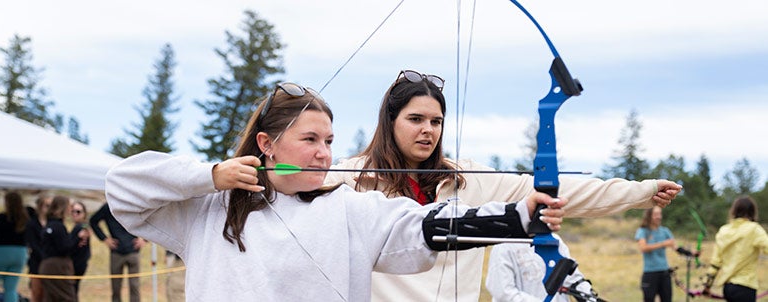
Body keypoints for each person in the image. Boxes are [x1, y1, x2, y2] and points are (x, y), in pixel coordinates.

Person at [104, 82, 567, 301]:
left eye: (328, 142)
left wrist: (520, 217)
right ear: (267, 144)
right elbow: (124, 188)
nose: (324, 154)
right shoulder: (209, 209)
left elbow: (420, 228)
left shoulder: (348, 207)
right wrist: (211, 175)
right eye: (309, 140)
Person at [323, 69, 683, 301]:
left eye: (436, 121)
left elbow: (551, 191)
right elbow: (290, 188)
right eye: (415, 119)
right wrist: (264, 177)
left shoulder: (465, 177)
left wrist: (642, 192)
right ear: (390, 121)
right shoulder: (350, 179)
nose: (428, 130)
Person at [485, 234, 599, 302]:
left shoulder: (554, 241)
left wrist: (588, 296)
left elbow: (572, 278)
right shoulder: (504, 246)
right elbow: (503, 292)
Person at [703, 196, 768, 302]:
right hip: (746, 286)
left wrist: (707, 286)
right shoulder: (754, 229)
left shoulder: (723, 231)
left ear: (734, 211)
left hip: (728, 288)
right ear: (752, 211)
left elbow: (715, 263)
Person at [89, 202, 146, 302]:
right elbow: (93, 221)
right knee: (115, 288)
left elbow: (151, 219)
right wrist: (105, 239)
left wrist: (145, 239)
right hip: (116, 252)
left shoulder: (134, 204)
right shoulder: (108, 206)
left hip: (133, 251)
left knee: (134, 286)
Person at [39, 195, 89, 302]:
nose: (71, 211)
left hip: (46, 266)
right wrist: (77, 239)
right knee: (68, 297)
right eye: (70, 207)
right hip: (57, 267)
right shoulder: (58, 227)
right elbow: (64, 248)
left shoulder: (49, 224)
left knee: (51, 297)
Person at [635, 206, 674, 302]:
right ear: (649, 216)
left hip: (664, 272)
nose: (659, 217)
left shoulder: (665, 231)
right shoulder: (643, 231)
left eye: (660, 214)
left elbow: (675, 246)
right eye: (656, 214)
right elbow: (643, 248)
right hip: (650, 273)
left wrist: (692, 253)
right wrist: (663, 243)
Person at [0, 191, 30, 302]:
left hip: (1, 252)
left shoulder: (1, 218)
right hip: (20, 253)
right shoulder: (25, 218)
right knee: (11, 288)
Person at [25, 194, 52, 302]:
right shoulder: (32, 224)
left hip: (50, 264)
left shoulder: (53, 223)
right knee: (37, 293)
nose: (49, 208)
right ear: (40, 206)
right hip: (37, 263)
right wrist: (44, 256)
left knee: (48, 294)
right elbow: (32, 244)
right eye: (47, 205)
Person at [69, 201, 91, 294]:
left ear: (84, 213)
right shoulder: (79, 227)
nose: (75, 214)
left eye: (78, 212)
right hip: (76, 263)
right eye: (73, 211)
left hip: (77, 264)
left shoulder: (81, 227)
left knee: (72, 291)